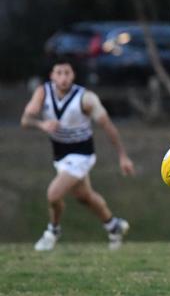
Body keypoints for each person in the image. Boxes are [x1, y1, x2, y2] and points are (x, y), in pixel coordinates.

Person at [21, 57, 135, 251]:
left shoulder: (86, 98)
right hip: (60, 156)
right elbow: (25, 120)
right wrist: (41, 124)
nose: (63, 78)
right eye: (59, 73)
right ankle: (113, 226)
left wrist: (122, 156)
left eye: (67, 73)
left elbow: (108, 127)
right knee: (84, 196)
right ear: (52, 75)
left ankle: (52, 231)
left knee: (53, 194)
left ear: (73, 75)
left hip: (82, 155)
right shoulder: (43, 92)